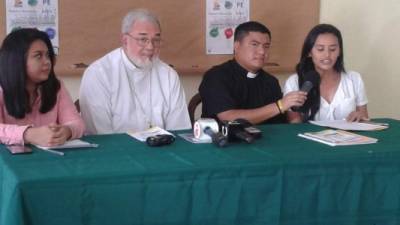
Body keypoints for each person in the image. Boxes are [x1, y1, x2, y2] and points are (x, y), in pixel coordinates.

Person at [79, 9, 191, 134]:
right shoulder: (99, 74)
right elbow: (102, 136)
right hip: (114, 151)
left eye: (156, 40)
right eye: (143, 40)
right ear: (125, 41)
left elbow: (179, 130)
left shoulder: (169, 75)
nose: (150, 47)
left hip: (161, 150)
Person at [199, 21, 306, 124]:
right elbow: (228, 118)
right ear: (236, 46)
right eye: (254, 44)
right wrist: (279, 106)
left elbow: (279, 123)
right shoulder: (216, 76)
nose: (262, 51)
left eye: (266, 46)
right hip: (225, 140)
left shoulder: (271, 82)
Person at [0, 28, 85, 146]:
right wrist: (27, 134)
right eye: (38, 56)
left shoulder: (56, 86)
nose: (47, 62)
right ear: (17, 61)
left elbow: (77, 123)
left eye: (48, 55)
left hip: (51, 160)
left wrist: (66, 131)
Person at [283, 24, 368, 122]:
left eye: (332, 49)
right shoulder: (293, 82)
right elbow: (294, 125)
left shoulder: (354, 79)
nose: (327, 55)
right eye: (320, 49)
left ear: (339, 51)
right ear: (309, 52)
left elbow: (364, 119)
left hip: (349, 136)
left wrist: (359, 117)